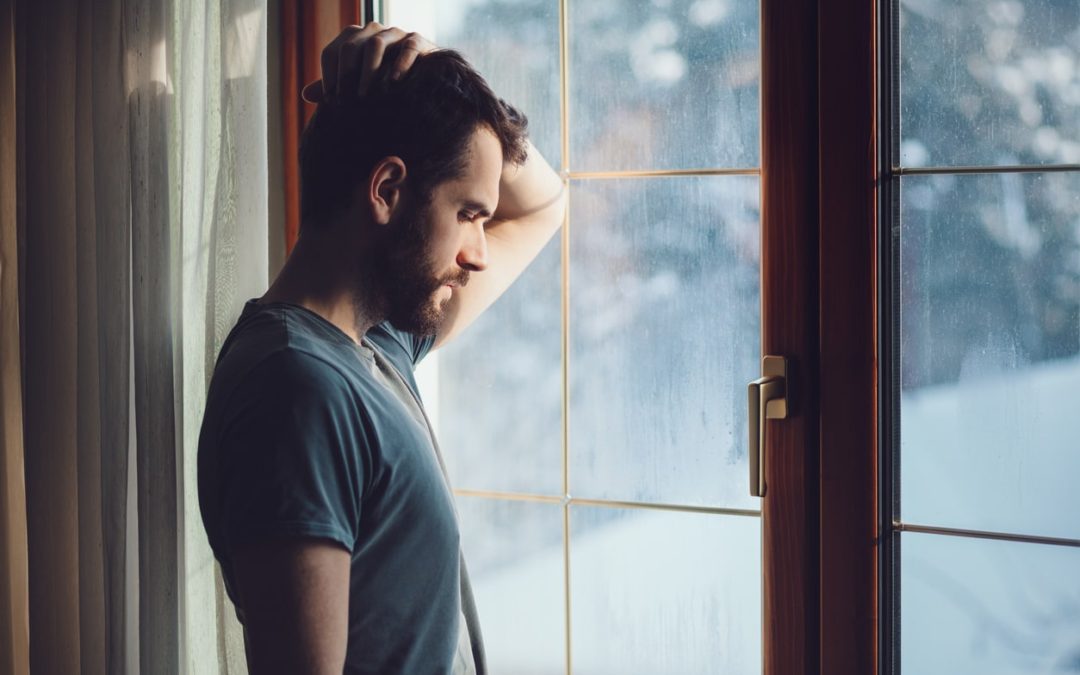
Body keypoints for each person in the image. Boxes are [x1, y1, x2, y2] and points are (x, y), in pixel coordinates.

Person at [197, 23, 565, 675]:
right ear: (387, 190)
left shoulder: (378, 343)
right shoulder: (295, 390)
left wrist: (439, 77)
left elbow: (543, 206)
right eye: (470, 215)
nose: (479, 253)